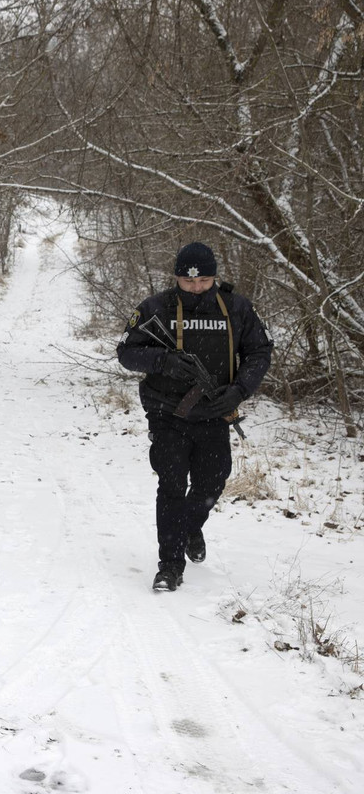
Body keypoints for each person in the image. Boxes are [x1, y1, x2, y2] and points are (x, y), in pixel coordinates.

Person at [116, 242, 272, 592]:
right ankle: (170, 565)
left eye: (203, 281)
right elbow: (126, 352)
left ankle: (189, 525)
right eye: (188, 282)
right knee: (171, 484)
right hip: (167, 411)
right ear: (176, 278)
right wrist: (164, 361)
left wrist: (240, 390)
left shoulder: (235, 308)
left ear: (214, 277)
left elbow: (260, 352)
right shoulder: (156, 308)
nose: (196, 288)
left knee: (212, 482)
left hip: (214, 412)